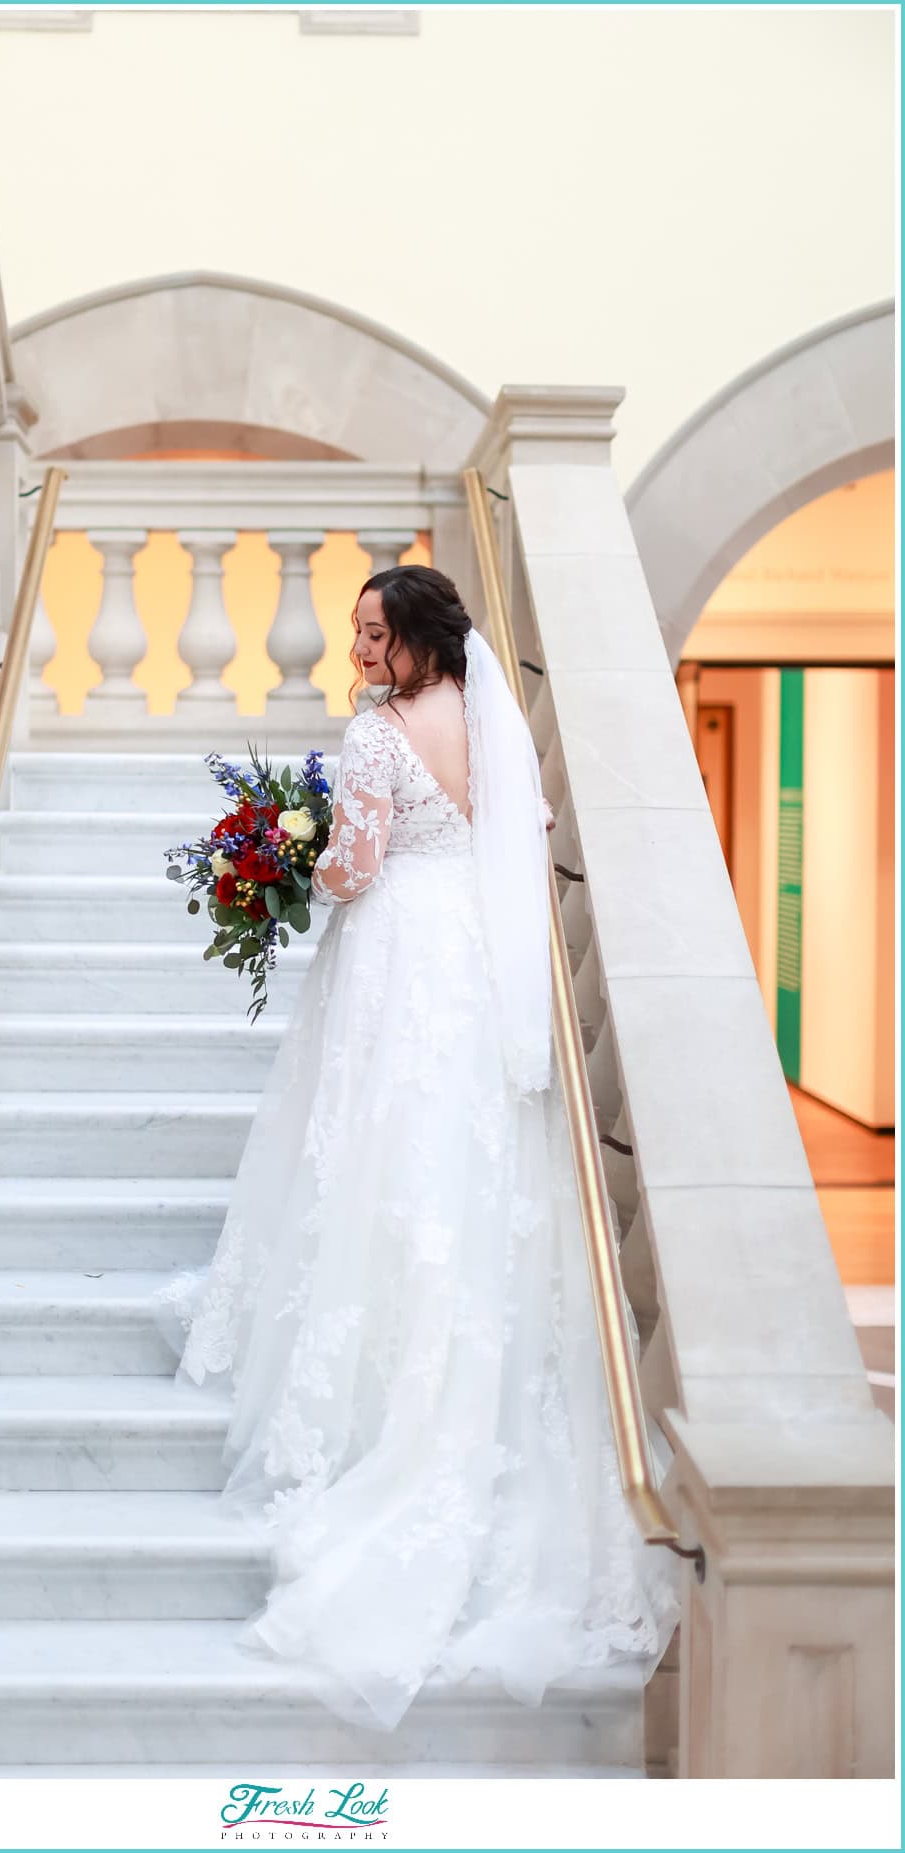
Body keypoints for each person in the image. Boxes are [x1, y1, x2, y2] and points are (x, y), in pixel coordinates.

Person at [152, 563, 681, 1734]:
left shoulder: (377, 732)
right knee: (459, 1166)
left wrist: (284, 857)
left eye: (372, 632)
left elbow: (353, 866)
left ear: (417, 640)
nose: (356, 651)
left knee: (376, 1152)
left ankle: (364, 1386)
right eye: (352, 633)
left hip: (397, 957)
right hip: (473, 962)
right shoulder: (490, 724)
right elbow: (516, 837)